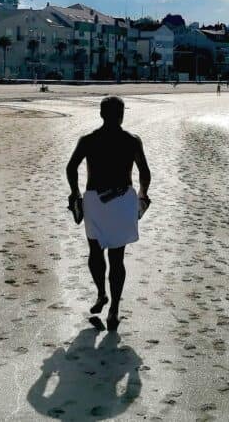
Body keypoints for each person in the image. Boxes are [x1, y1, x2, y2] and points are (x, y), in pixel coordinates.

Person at [66, 96, 152, 331]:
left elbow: (71, 168)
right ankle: (113, 309)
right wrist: (143, 196)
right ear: (122, 114)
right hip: (123, 201)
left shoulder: (88, 140)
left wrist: (75, 195)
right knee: (117, 257)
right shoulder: (132, 141)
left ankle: (102, 293)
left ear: (101, 114)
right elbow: (145, 172)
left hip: (95, 200)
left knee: (95, 251)